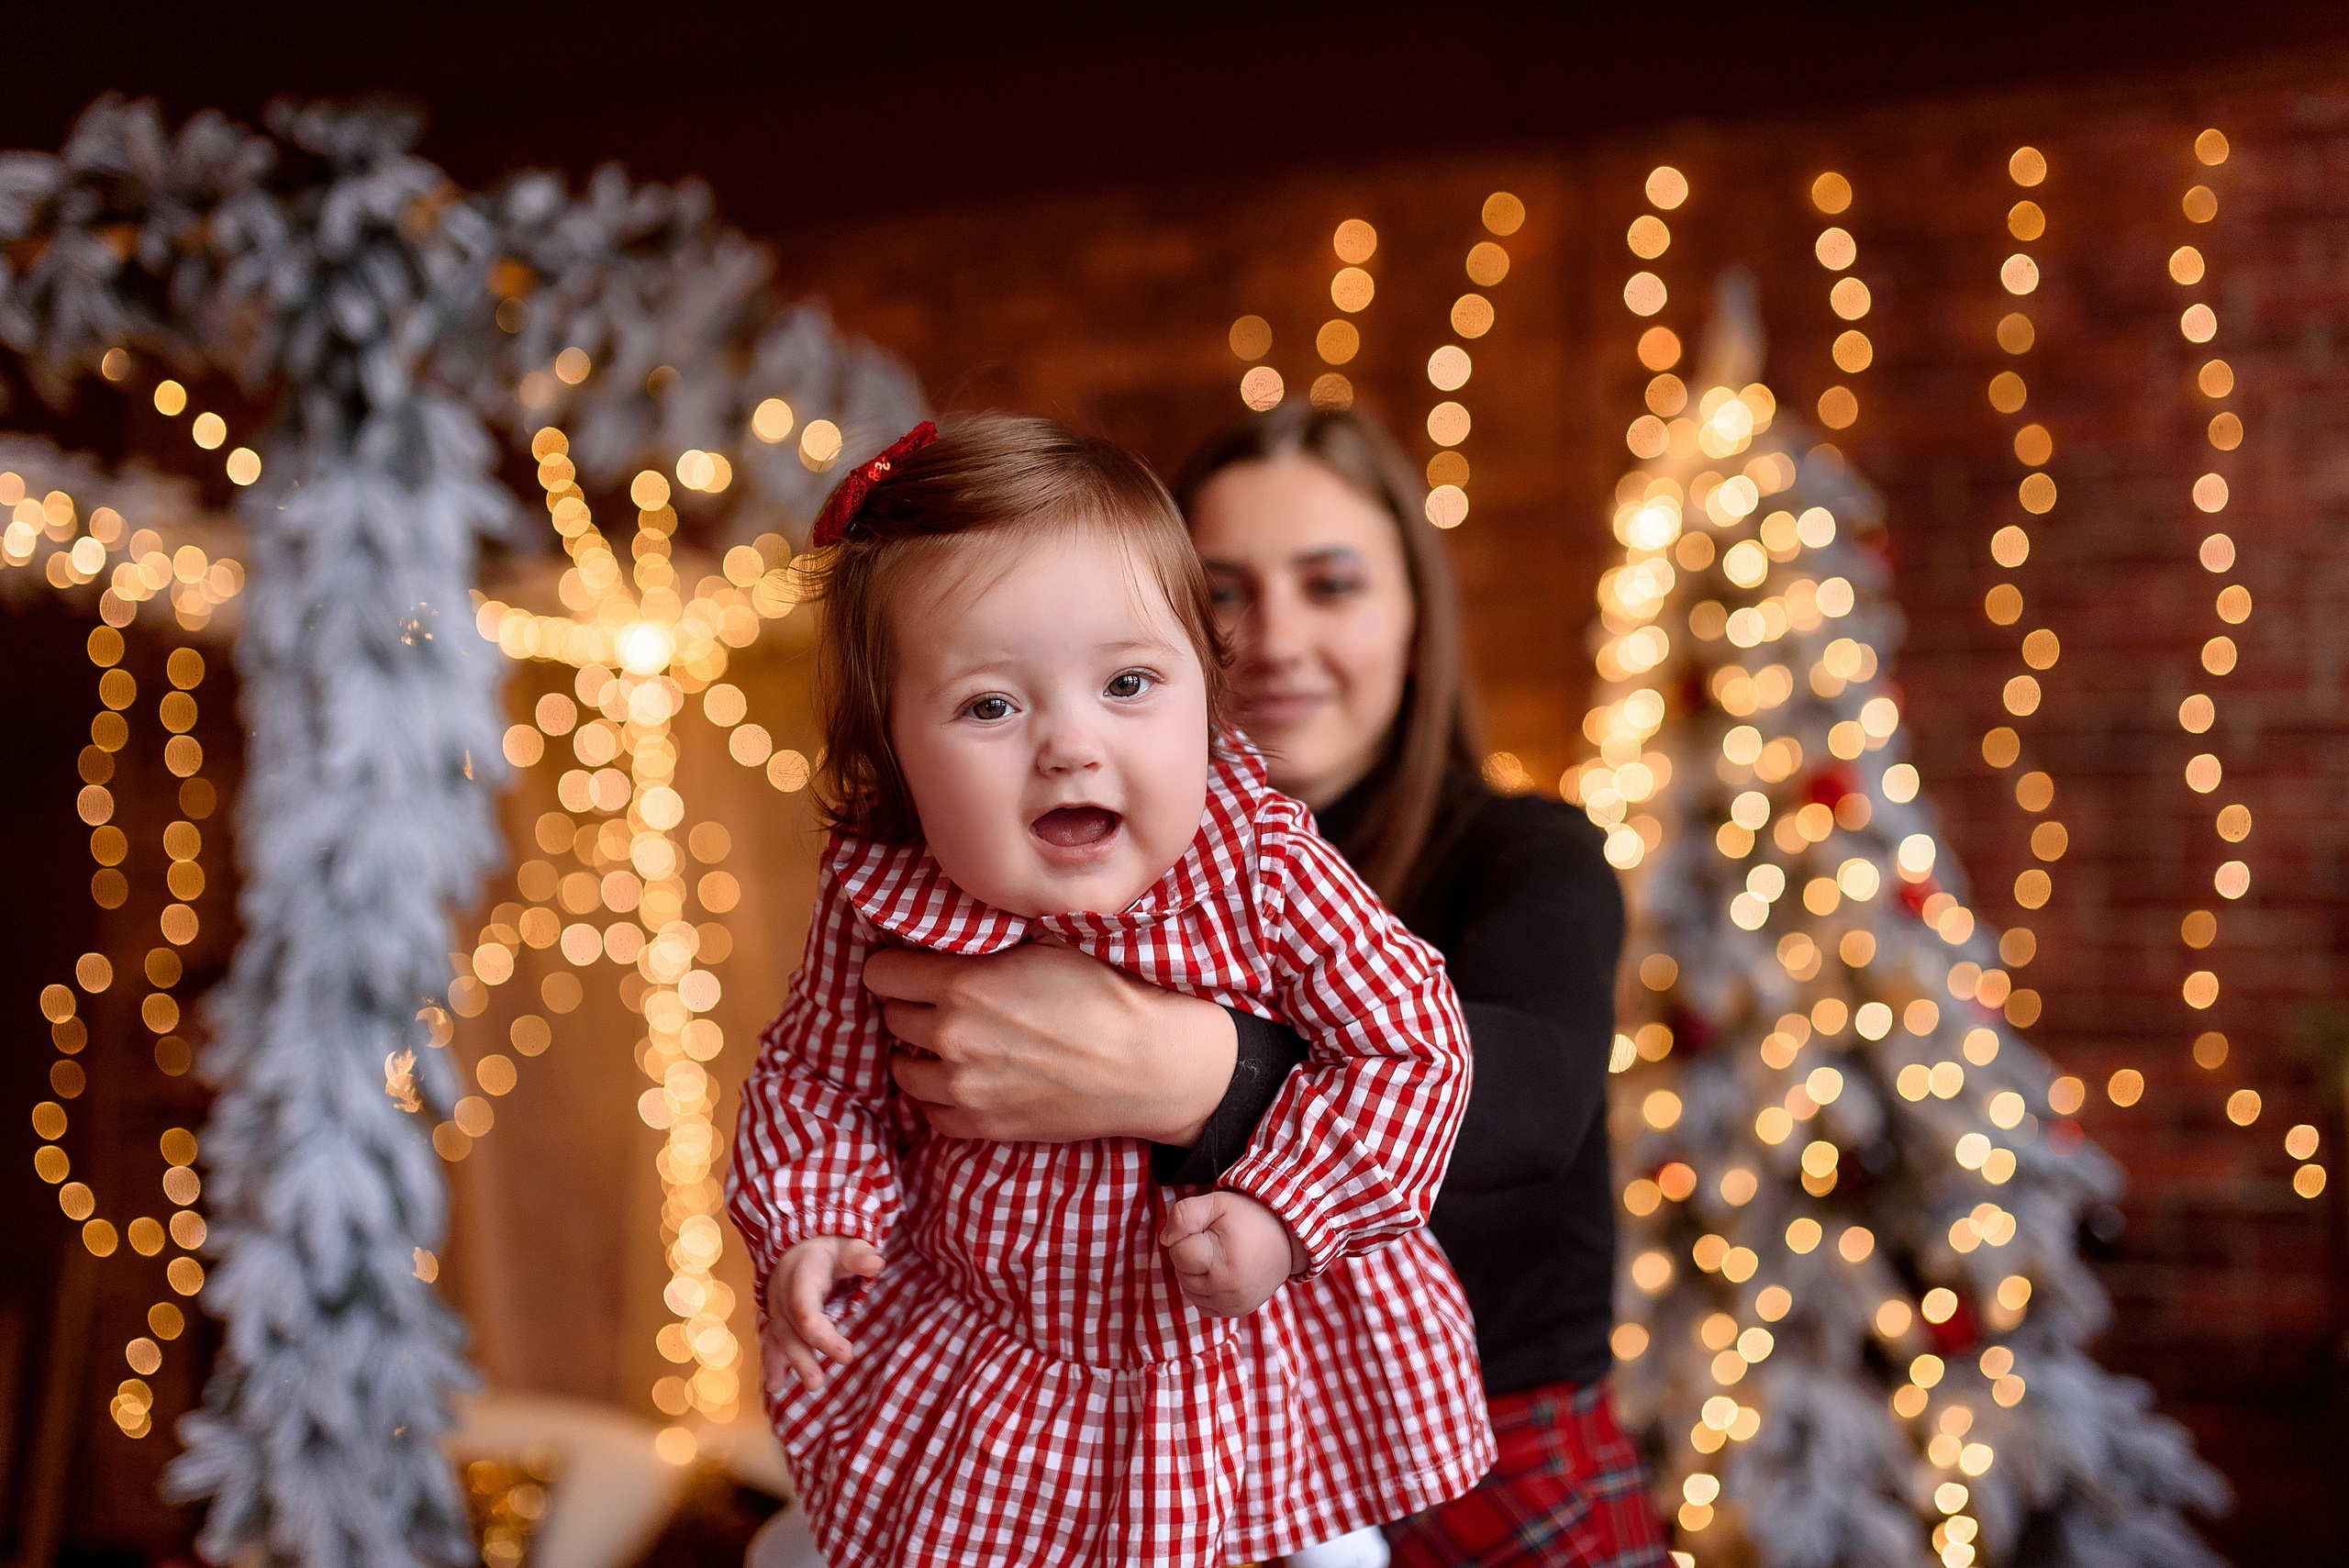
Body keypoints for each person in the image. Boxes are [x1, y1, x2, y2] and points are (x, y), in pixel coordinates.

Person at [867, 406, 1670, 1567]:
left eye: (1331, 585)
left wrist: (1185, 1072)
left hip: (1488, 1457)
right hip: (1174, 1457)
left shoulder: (1522, 851)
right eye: (1228, 590)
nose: (1276, 638)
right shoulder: (1042, 863)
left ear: (1413, 618)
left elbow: (1534, 1092)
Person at [726, 414, 1493, 1568]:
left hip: (1245, 1363)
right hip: (998, 1360)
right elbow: (817, 1077)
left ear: (1206, 691)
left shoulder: (1265, 869)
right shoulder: (886, 900)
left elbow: (1413, 1046)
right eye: (990, 706)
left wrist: (1287, 1212)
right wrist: (815, 1220)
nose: (1070, 744)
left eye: (1129, 681)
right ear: (893, 755)